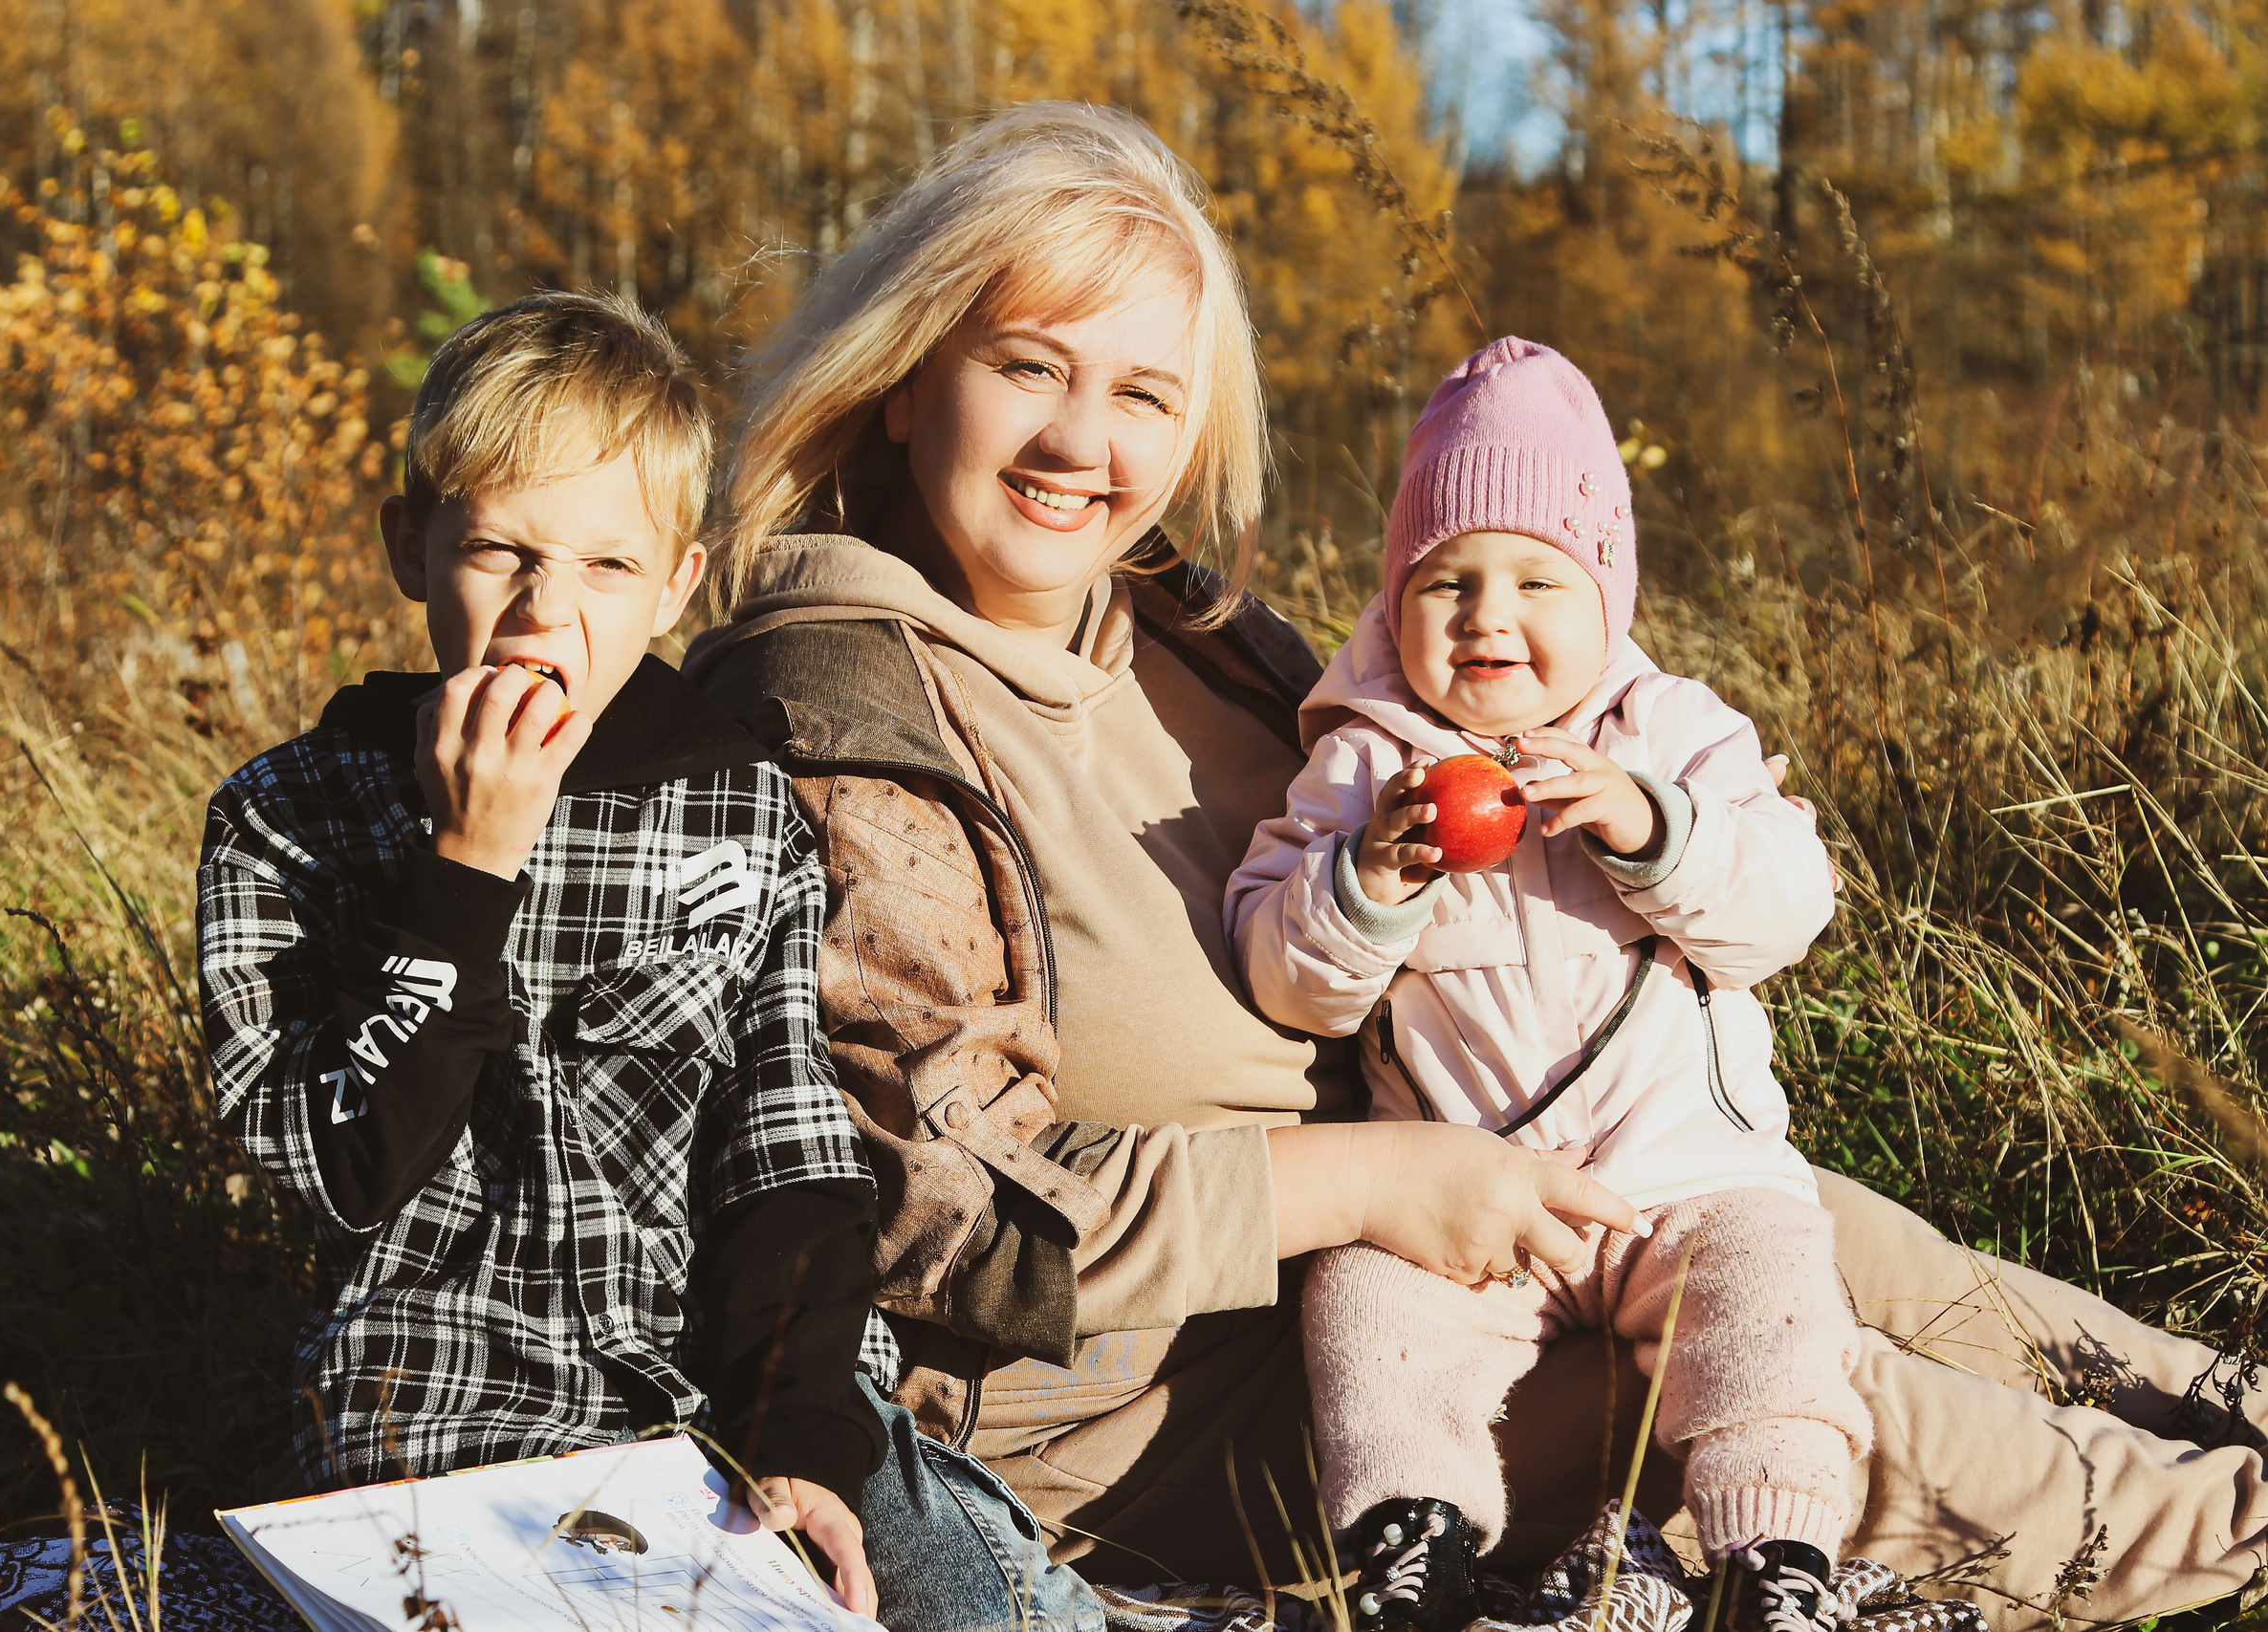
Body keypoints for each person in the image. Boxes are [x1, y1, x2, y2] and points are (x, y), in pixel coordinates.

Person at [687, 99, 2268, 1632]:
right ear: (904, 380)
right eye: (1028, 367)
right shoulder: (845, 715)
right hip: (1189, 1387)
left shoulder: (1178, 624)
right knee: (1776, 1382)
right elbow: (940, 1215)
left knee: (1804, 1223)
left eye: (1146, 396)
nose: (1082, 444)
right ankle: (2240, 1539)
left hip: (1465, 1185)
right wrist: (1390, 1181)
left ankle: (2236, 1401)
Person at [198, 292, 888, 1615]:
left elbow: (786, 1154)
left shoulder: (738, 817)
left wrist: (795, 1439)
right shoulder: (291, 818)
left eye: (607, 567)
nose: (542, 610)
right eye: (500, 550)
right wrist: (467, 870)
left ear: (680, 583)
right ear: (412, 547)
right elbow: (334, 1168)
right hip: (422, 1391)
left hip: (697, 1394)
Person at [1226, 337, 1865, 1632]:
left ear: (1608, 591)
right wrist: (1369, 880)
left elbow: (1787, 907)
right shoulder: (1365, 767)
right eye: (1445, 581)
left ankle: (1775, 1553)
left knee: (1774, 1302)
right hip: (1468, 1216)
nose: (1486, 615)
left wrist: (1653, 827)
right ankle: (1414, 1540)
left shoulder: (1674, 735)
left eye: (1535, 578)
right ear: (1394, 600)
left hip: (1683, 1187)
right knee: (1363, 1309)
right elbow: (1284, 977)